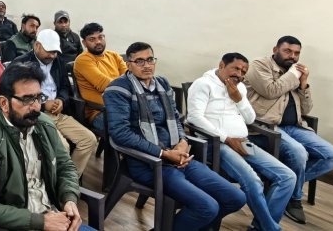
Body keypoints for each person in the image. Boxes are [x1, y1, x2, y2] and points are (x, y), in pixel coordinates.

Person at [104, 42, 246, 231]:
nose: (146, 65)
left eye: (150, 59)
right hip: (149, 164)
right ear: (128, 64)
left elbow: (176, 118)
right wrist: (163, 153)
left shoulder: (161, 84)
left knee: (236, 198)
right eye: (139, 61)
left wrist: (183, 142)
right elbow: (121, 134)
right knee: (207, 207)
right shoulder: (118, 89)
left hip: (178, 158)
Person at [0, 62, 93, 230]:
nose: (36, 106)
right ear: (4, 103)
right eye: (27, 99)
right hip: (15, 225)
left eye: (38, 97)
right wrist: (40, 222)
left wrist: (69, 198)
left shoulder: (43, 124)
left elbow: (65, 166)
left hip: (53, 217)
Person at [187, 52, 296, 231]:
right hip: (217, 145)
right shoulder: (203, 84)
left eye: (243, 71)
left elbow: (250, 118)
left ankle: (260, 227)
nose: (239, 74)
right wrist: (226, 139)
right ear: (221, 65)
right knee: (253, 181)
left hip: (243, 142)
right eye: (235, 69)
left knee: (287, 176)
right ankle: (270, 228)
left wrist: (238, 99)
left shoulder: (240, 88)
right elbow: (194, 117)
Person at [244, 36, 333, 224]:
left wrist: (304, 83)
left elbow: (306, 109)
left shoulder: (294, 73)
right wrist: (293, 75)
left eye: (297, 53)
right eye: (287, 51)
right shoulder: (259, 65)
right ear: (275, 49)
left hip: (294, 126)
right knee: (298, 152)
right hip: (265, 127)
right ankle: (294, 199)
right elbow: (270, 90)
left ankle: (282, 186)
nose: (293, 56)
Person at [14, 29, 97, 177]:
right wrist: (43, 103)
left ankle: (70, 179)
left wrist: (61, 100)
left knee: (89, 140)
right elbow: (18, 95)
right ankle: (56, 182)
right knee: (62, 146)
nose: (53, 55)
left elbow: (65, 86)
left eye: (55, 52)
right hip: (35, 115)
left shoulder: (58, 61)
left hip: (57, 112)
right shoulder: (21, 64)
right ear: (37, 46)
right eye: (50, 51)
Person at [73, 22, 127, 131]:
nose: (98, 41)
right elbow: (105, 85)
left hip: (123, 106)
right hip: (99, 112)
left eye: (100, 37)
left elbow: (131, 78)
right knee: (129, 130)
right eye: (92, 39)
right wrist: (125, 85)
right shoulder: (83, 60)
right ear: (84, 43)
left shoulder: (114, 55)